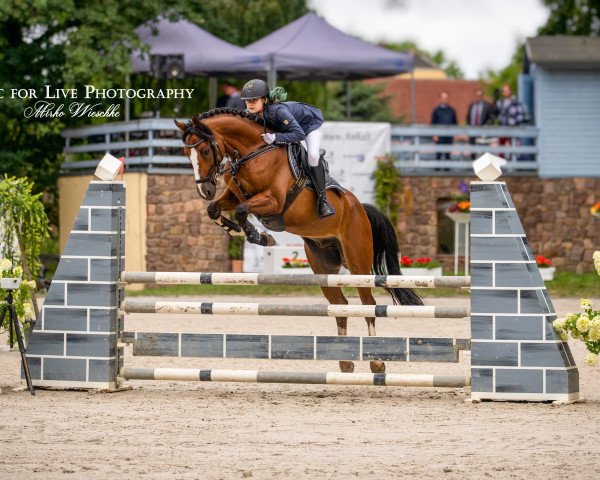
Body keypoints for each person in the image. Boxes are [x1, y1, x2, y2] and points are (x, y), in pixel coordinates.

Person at [240, 78, 334, 219]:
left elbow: (299, 134)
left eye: (254, 100)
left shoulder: (278, 111)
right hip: (290, 129)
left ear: (264, 100)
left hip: (309, 126)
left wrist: (275, 138)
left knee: (312, 156)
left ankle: (323, 199)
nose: (250, 104)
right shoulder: (249, 113)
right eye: (247, 101)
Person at [495, 84, 529, 159]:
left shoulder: (516, 103)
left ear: (510, 91)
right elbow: (497, 115)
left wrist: (513, 122)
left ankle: (513, 165)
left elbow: (521, 115)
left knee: (514, 147)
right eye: (504, 91)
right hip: (503, 128)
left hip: (513, 128)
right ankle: (501, 165)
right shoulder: (500, 103)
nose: (505, 92)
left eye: (507, 90)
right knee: (501, 148)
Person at [466, 88, 495, 159]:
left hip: (483, 131)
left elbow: (492, 118)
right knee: (473, 149)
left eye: (480, 95)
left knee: (483, 150)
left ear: (482, 96)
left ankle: (483, 167)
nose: (478, 97)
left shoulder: (487, 105)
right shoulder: (471, 105)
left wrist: (486, 126)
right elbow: (468, 118)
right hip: (472, 131)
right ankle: (472, 165)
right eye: (477, 95)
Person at [430, 91, 457, 161]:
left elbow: (455, 123)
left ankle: (447, 169)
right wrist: (434, 134)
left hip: (449, 135)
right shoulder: (436, 110)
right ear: (440, 99)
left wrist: (456, 134)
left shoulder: (452, 110)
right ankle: (437, 169)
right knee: (439, 153)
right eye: (443, 98)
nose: (444, 99)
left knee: (448, 154)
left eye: (446, 98)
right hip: (439, 136)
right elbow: (433, 123)